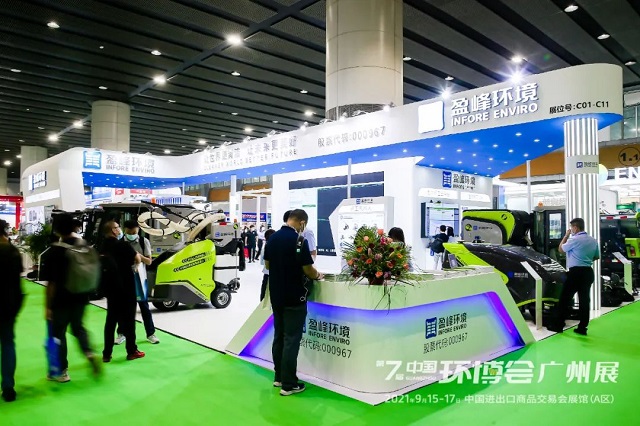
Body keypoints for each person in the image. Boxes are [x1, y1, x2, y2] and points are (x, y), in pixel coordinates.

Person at [265, 209, 323, 396]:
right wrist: (318, 275)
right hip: (294, 297)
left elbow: (267, 265)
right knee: (291, 339)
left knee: (279, 336)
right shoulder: (299, 241)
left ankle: (279, 377)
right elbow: (308, 270)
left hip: (276, 296)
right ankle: (289, 384)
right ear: (302, 223)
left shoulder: (272, 238)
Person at [40, 213, 101, 382]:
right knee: (78, 328)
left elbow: (51, 283)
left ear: (57, 229)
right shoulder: (84, 245)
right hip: (81, 296)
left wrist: (47, 306)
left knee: (59, 333)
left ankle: (62, 371)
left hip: (61, 299)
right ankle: (89, 353)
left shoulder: (56, 251)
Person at [99, 220, 145, 362]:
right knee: (129, 320)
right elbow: (137, 259)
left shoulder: (102, 246)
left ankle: (107, 354)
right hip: (126, 287)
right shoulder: (123, 245)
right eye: (117, 227)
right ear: (113, 230)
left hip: (111, 288)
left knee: (111, 321)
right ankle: (131, 351)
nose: (119, 229)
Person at [548, 218, 600, 335]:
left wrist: (566, 236)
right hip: (588, 272)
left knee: (565, 299)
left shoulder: (574, 239)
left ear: (575, 227)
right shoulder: (593, 240)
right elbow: (596, 256)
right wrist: (584, 259)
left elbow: (561, 249)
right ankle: (582, 327)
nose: (571, 230)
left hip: (575, 273)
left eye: (571, 228)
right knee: (584, 300)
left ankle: (558, 325)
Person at [114, 220, 159, 345]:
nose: (132, 235)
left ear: (138, 230)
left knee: (144, 307)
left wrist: (138, 256)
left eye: (134, 232)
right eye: (129, 233)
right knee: (123, 308)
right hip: (124, 278)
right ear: (125, 230)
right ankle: (121, 333)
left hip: (139, 278)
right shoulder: (120, 243)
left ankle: (150, 333)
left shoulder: (144, 242)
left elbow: (149, 261)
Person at [0, 220, 23, 402]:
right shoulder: (13, 251)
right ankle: (8, 386)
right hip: (8, 305)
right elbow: (17, 282)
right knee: (8, 344)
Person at [259, 228, 276, 301]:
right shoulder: (275, 246)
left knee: (264, 293)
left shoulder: (265, 246)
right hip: (275, 274)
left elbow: (262, 262)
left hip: (266, 273)